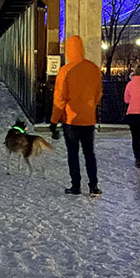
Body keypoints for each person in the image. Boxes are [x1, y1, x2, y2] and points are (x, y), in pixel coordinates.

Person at [50, 35, 103, 196]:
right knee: (89, 153)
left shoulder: (65, 71)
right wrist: (89, 107)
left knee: (73, 154)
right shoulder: (93, 68)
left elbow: (60, 98)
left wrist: (54, 121)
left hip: (71, 120)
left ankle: (76, 185)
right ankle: (93, 186)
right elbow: (98, 94)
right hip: (88, 119)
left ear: (68, 50)